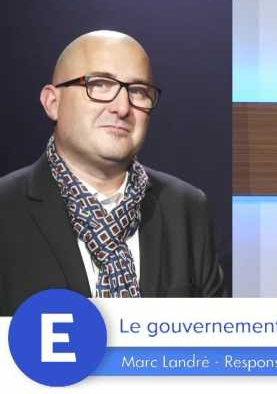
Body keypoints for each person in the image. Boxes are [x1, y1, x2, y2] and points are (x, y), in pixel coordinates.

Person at [0, 30, 223, 315]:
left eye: (138, 91)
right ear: (52, 102)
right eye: (100, 85)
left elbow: (215, 335)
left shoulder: (187, 208)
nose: (122, 107)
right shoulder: (6, 209)